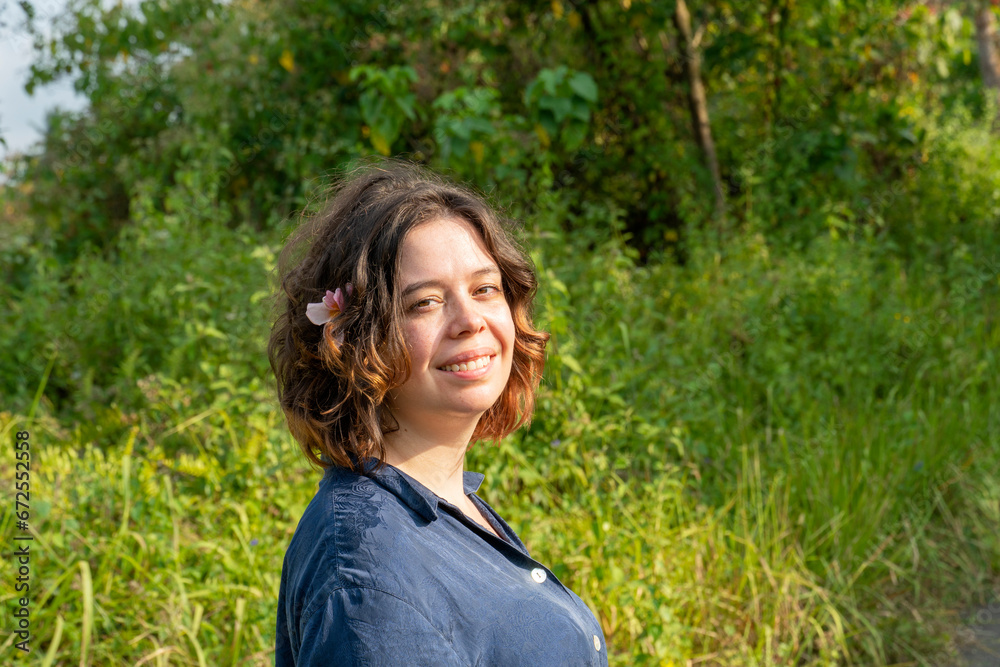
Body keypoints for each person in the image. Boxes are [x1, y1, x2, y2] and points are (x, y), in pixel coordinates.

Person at [269, 159, 608, 666]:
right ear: (356, 342)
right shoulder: (370, 569)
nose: (469, 320)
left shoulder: (444, 508)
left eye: (484, 289)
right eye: (425, 302)